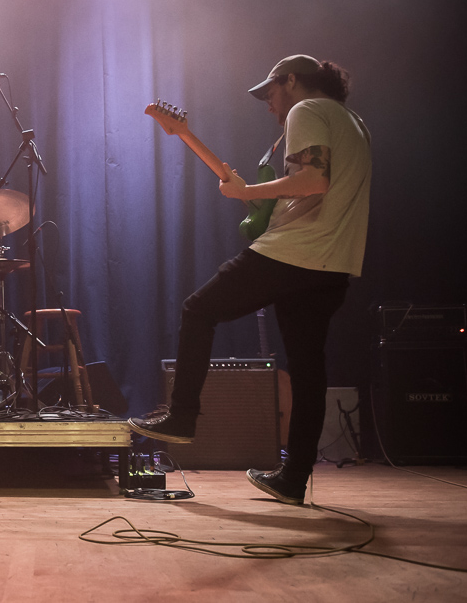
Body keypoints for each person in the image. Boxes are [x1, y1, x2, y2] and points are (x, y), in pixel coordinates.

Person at [128, 55, 372, 505]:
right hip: (334, 263)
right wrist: (255, 198)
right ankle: (293, 479)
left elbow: (314, 180)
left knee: (198, 310)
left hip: (293, 253)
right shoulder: (353, 122)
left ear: (291, 81)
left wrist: (247, 191)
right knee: (308, 369)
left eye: (271, 93)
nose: (269, 104)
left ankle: (182, 416)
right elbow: (315, 192)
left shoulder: (307, 110)